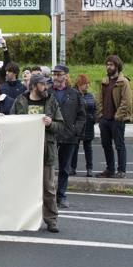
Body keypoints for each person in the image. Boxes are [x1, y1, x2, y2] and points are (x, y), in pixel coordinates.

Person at [11, 75, 64, 233]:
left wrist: (50, 124)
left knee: (48, 187)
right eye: (43, 84)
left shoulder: (51, 101)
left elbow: (61, 125)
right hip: (25, 151)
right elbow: (11, 121)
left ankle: (52, 220)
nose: (46, 87)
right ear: (34, 86)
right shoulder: (20, 101)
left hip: (45, 151)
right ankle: (21, 218)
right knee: (23, 186)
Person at [50, 65, 86, 209]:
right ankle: (49, 195)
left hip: (69, 136)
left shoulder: (74, 94)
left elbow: (82, 115)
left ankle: (62, 195)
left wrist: (75, 130)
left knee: (65, 168)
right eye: (55, 74)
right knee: (48, 167)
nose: (56, 77)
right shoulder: (47, 92)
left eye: (59, 74)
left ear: (66, 76)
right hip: (51, 134)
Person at [96, 55, 132, 178]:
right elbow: (99, 99)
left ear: (117, 66)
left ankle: (121, 171)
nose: (108, 67)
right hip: (104, 119)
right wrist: (101, 115)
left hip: (117, 120)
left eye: (111, 65)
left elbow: (127, 101)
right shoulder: (104, 81)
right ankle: (109, 170)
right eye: (107, 64)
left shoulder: (124, 82)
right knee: (106, 145)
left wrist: (117, 116)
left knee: (119, 145)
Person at [72, 74, 96, 177]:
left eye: (88, 83)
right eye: (85, 83)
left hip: (89, 124)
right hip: (78, 124)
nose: (87, 85)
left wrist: (94, 118)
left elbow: (95, 108)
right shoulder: (73, 94)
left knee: (88, 147)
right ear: (79, 84)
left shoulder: (90, 95)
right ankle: (72, 167)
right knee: (74, 146)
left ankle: (89, 169)